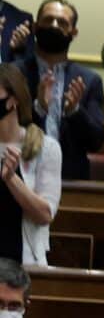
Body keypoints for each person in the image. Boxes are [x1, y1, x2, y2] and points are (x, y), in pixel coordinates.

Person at [19, 0, 103, 182]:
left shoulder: (89, 81)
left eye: (62, 22)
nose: (54, 26)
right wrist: (38, 108)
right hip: (18, 176)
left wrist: (74, 111)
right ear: (35, 27)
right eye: (48, 20)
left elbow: (96, 141)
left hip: (71, 180)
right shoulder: (12, 74)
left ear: (74, 32)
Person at [0, 63, 59, 264]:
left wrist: (10, 179)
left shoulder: (46, 148)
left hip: (24, 263)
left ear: (13, 100)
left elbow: (45, 214)